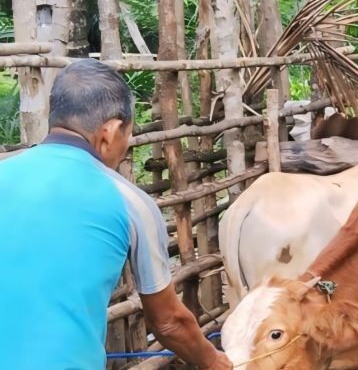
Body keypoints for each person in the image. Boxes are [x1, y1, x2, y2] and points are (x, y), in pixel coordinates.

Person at [0, 60, 231, 370]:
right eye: (128, 135)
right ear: (109, 133)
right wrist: (216, 363)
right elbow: (168, 322)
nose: (126, 146)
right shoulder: (129, 202)